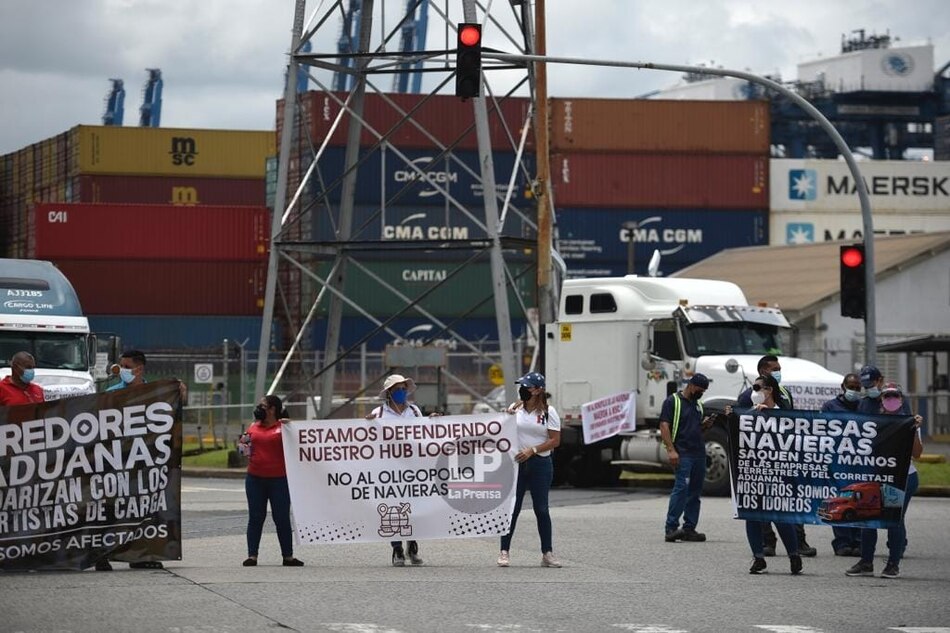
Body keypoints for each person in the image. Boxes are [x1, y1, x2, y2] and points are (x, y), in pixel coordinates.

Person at [96, 349, 187, 571]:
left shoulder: (157, 394)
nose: (122, 371)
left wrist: (180, 396)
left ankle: (141, 555)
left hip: (145, 463)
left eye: (126, 367)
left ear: (139, 368)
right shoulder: (112, 393)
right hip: (117, 461)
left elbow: (170, 421)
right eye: (121, 366)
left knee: (143, 510)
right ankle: (101, 555)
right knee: (111, 509)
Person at [736, 354, 816, 558]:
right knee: (760, 506)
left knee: (789, 503)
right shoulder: (748, 397)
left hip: (783, 459)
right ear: (763, 371)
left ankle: (799, 543)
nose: (778, 372)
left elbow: (792, 421)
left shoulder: (785, 393)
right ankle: (767, 544)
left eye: (779, 368)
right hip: (759, 460)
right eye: (774, 369)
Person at [846, 383, 923, 579]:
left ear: (901, 399)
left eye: (894, 396)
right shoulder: (872, 422)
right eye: (886, 396)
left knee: (893, 519)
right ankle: (866, 562)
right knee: (867, 518)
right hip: (875, 478)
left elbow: (917, 454)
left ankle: (892, 564)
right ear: (881, 400)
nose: (890, 400)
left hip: (902, 478)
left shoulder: (909, 422)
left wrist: (914, 430)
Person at [734, 374, 803, 575]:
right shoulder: (749, 414)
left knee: (780, 516)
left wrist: (771, 418)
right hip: (754, 473)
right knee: (751, 515)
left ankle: (793, 554)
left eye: (757, 387)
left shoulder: (785, 415)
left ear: (769, 390)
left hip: (778, 474)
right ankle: (758, 558)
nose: (753, 392)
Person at [497, 372, 562, 568]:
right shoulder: (515, 409)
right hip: (516, 463)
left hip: (540, 463)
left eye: (528, 387)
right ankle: (504, 551)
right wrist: (503, 418)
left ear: (538, 390)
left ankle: (547, 553)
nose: (523, 390)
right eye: (522, 387)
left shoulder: (549, 413)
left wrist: (533, 450)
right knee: (512, 509)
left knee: (541, 509)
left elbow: (555, 440)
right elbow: (502, 432)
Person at [239, 394, 304, 567]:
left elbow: (298, 446)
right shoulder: (253, 427)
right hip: (255, 479)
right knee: (255, 517)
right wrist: (244, 442)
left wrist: (292, 428)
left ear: (273, 409)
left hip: (279, 481)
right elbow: (243, 450)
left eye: (263, 406)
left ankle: (288, 556)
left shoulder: (283, 428)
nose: (258, 409)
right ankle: (252, 555)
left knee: (281, 517)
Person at [369, 374, 426, 567]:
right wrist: (366, 425)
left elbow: (426, 433)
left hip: (413, 467)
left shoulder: (415, 411)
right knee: (393, 509)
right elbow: (367, 438)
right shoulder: (378, 414)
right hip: (389, 469)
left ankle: (412, 545)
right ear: (389, 393)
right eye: (398, 389)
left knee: (415, 508)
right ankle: (397, 549)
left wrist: (434, 422)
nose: (402, 392)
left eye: (404, 388)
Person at [661, 373, 715, 544]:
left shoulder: (698, 404)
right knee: (681, 489)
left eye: (704, 391)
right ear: (691, 385)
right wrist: (671, 450)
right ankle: (671, 528)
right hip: (682, 452)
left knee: (695, 492)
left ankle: (689, 529)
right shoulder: (673, 402)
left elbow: (695, 428)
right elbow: (664, 425)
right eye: (699, 390)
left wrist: (705, 425)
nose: (701, 394)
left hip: (698, 453)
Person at [821, 372, 863, 557]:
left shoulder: (865, 406)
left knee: (860, 500)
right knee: (840, 501)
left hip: (860, 462)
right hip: (838, 462)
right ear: (843, 387)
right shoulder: (830, 406)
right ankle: (842, 542)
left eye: (857, 388)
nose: (853, 391)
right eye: (851, 387)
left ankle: (859, 542)